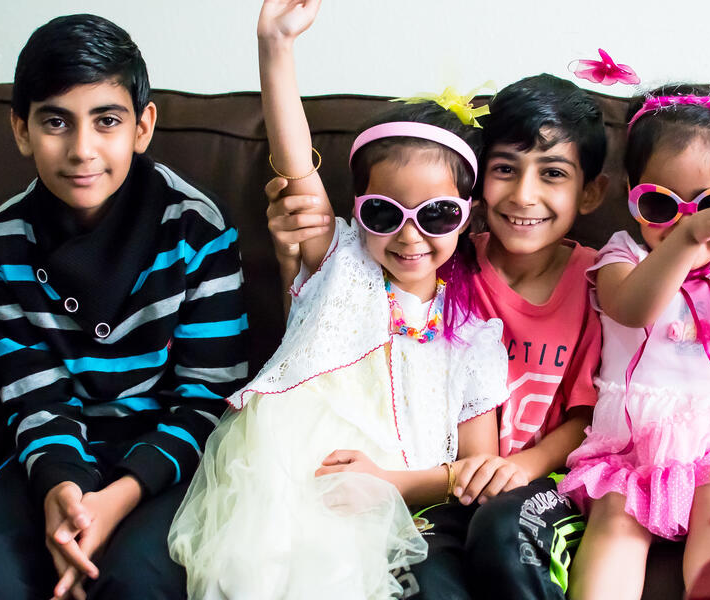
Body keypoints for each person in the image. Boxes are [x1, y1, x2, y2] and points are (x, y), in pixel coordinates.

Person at [167, 1, 508, 599]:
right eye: (384, 213)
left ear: (467, 217)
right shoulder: (341, 265)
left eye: (436, 216)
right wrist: (276, 46)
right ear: (355, 210)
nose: (410, 235)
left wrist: (390, 485)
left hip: (391, 498)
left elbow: (475, 466)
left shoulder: (475, 334)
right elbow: (296, 166)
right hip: (286, 474)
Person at [267, 74, 609, 599]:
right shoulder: (440, 257)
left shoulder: (599, 280)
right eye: (504, 170)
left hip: (535, 482)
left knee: (500, 533)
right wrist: (289, 257)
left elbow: (590, 416)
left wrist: (517, 467)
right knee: (430, 577)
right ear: (474, 192)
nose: (524, 195)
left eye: (552, 173)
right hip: (445, 487)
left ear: (590, 193)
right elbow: (322, 225)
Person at [0, 14, 249, 600]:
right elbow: (34, 397)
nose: (82, 150)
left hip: (168, 458)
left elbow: (208, 397)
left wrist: (115, 501)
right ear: (21, 129)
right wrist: (63, 491)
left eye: (106, 121)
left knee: (136, 580)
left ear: (142, 126)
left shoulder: (195, 229)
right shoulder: (6, 240)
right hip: (52, 450)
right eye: (56, 121)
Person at [558, 86, 710, 600]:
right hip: (633, 447)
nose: (690, 221)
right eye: (661, 205)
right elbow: (632, 309)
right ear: (631, 192)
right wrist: (687, 240)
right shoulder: (622, 256)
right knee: (615, 523)